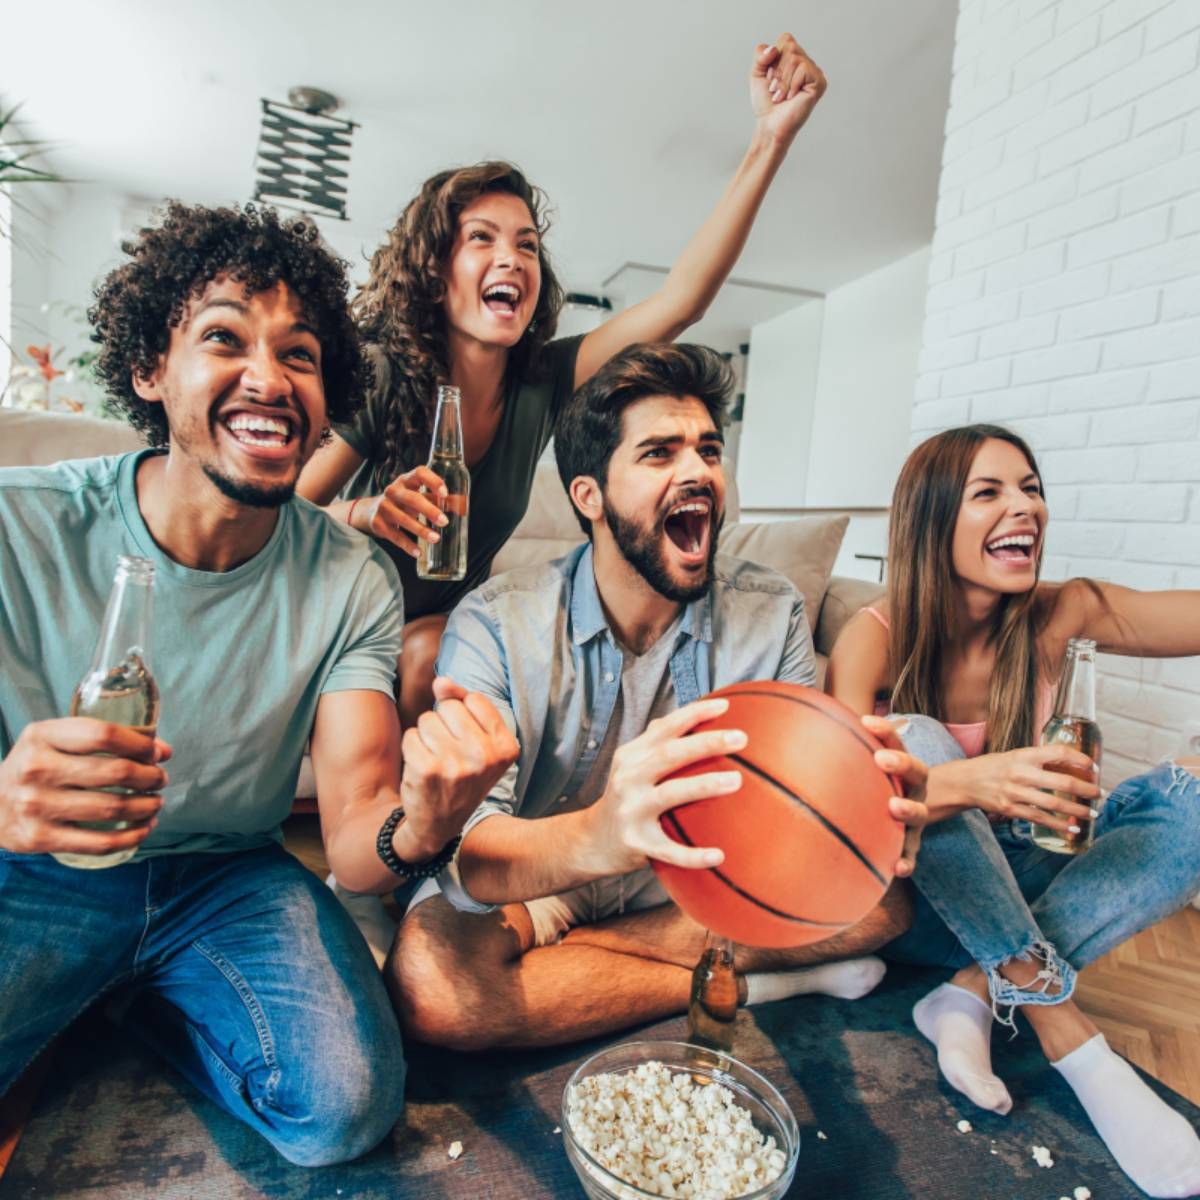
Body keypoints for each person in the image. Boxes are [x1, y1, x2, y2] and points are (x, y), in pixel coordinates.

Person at [0, 202, 515, 1167]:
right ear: (152, 369)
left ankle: (135, 996)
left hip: (226, 878)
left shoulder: (349, 578)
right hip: (30, 873)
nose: (269, 379)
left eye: (304, 355)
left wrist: (430, 817)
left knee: (345, 1110)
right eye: (225, 337)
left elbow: (360, 841)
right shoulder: (19, 528)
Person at [386, 342, 929, 1050]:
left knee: (881, 900)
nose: (698, 471)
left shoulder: (775, 612)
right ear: (590, 496)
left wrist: (866, 805)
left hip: (701, 870)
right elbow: (471, 854)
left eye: (707, 450)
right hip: (550, 870)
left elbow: (795, 811)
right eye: (659, 453)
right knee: (432, 983)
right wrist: (599, 837)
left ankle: (597, 975)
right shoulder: (496, 621)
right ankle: (740, 979)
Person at [296, 32, 828, 729]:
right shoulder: (385, 373)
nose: (511, 257)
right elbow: (279, 514)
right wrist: (367, 514)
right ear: (435, 267)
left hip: (446, 632)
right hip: (345, 615)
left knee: (449, 650)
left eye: (526, 244)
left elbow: (683, 300)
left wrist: (770, 137)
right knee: (428, 652)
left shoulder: (541, 380)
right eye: (481, 238)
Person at [827, 423, 1200, 1199]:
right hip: (918, 898)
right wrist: (969, 783)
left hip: (1027, 880)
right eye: (989, 492)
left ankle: (971, 989)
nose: (1024, 507)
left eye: (1031, 488)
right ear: (933, 519)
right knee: (914, 739)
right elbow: (835, 806)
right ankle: (1068, 1036)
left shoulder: (1063, 614)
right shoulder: (875, 638)